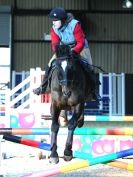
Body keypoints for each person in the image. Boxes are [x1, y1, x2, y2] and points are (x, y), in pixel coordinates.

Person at [33, 7, 101, 101]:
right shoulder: (54, 29)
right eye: (52, 20)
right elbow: (55, 44)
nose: (53, 22)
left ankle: (94, 92)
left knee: (89, 66)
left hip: (80, 47)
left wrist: (74, 52)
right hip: (64, 48)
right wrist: (60, 52)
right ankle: (43, 87)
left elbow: (80, 42)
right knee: (50, 63)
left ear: (62, 19)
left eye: (56, 20)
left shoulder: (75, 25)